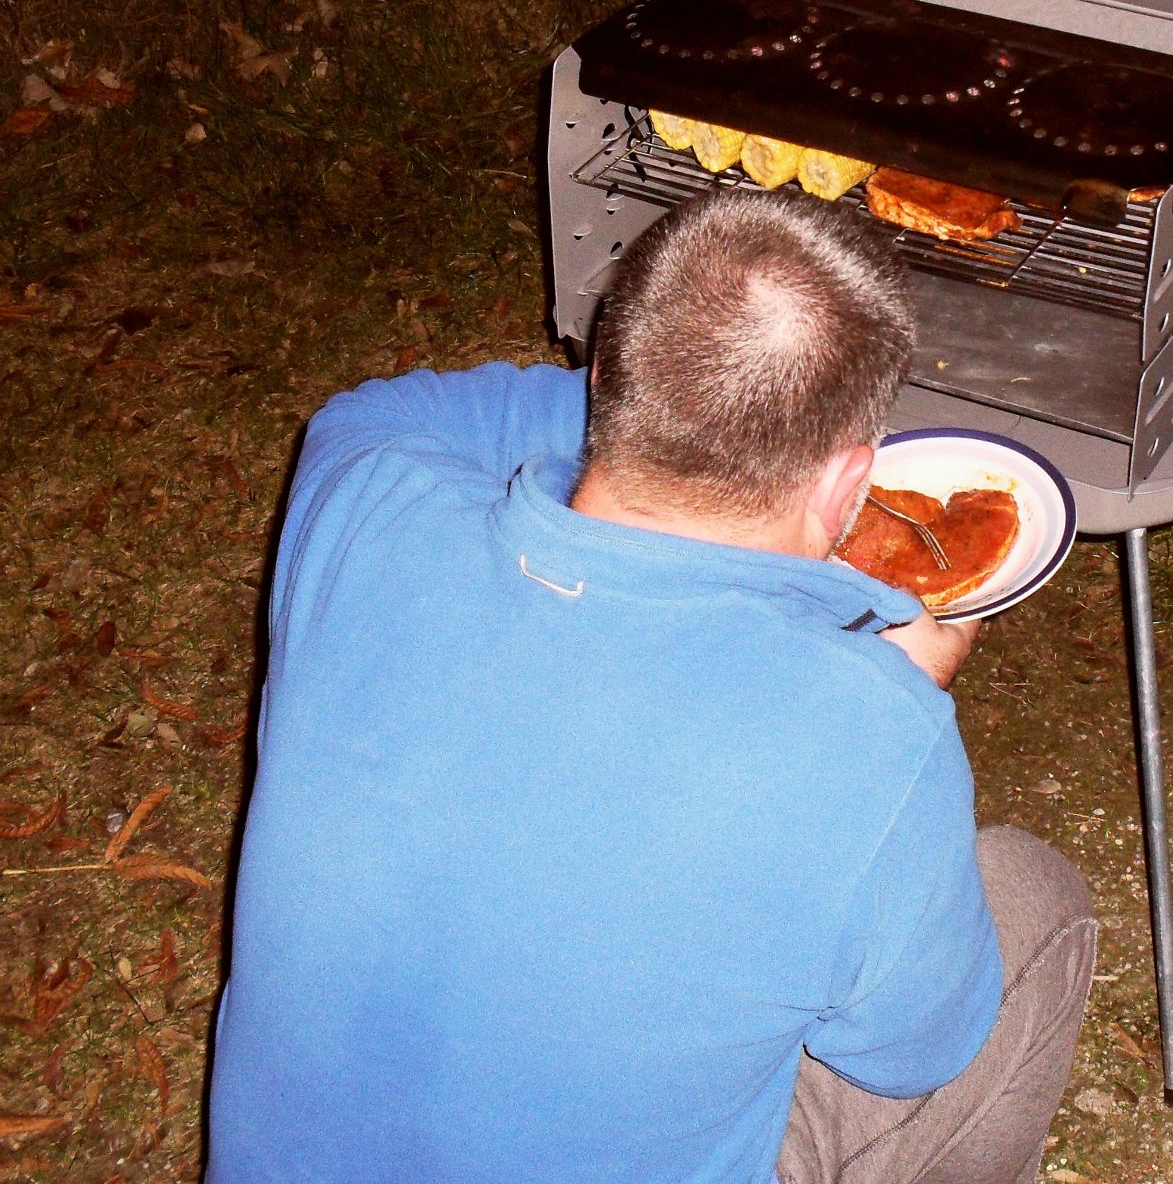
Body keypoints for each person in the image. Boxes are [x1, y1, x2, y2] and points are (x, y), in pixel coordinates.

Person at [205, 189, 1097, 1183]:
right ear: (852, 486)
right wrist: (908, 686)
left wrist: (684, 416)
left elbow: (371, 409)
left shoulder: (365, 503)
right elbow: (916, 1052)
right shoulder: (872, 734)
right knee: (1035, 898)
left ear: (613, 382)